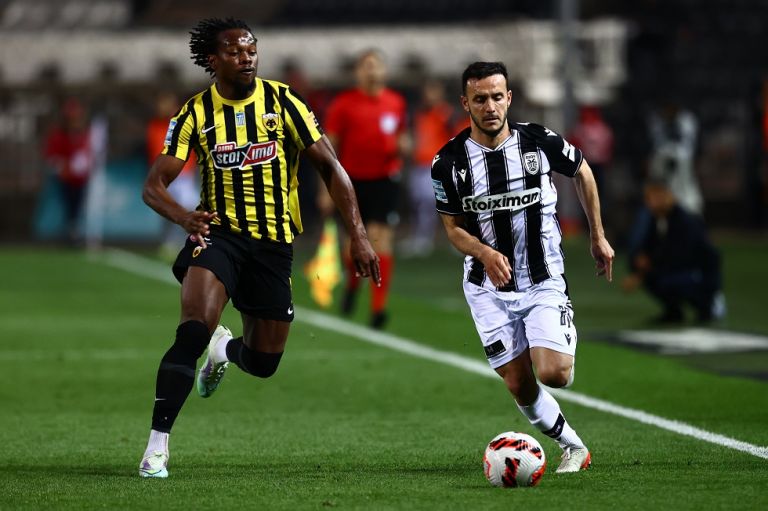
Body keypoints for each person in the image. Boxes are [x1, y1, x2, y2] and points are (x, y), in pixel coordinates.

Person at [138, 18, 380, 478]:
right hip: (218, 236)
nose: (246, 58)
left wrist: (359, 234)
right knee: (192, 331)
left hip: (273, 243)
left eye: (251, 50)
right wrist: (184, 217)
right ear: (213, 60)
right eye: (234, 52)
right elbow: (154, 186)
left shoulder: (283, 101)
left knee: (264, 362)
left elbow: (331, 167)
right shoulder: (194, 113)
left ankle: (223, 352)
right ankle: (156, 448)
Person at [431, 62, 614, 474]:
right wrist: (484, 253)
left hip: (541, 277)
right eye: (480, 99)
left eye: (497, 97)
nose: (490, 106)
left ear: (509, 98)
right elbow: (452, 228)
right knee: (518, 382)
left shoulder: (537, 141)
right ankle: (574, 447)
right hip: (486, 287)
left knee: (555, 374)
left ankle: (553, 334)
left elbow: (583, 171)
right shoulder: (448, 162)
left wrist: (597, 235)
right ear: (465, 103)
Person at [322, 49, 410, 329]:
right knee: (354, 244)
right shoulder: (343, 104)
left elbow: (404, 138)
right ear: (358, 72)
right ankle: (352, 284)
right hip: (352, 183)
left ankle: (378, 309)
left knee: (381, 240)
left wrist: (404, 146)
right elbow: (329, 146)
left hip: (385, 180)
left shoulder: (395, 102)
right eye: (366, 66)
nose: (372, 71)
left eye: (376, 66)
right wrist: (326, 187)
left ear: (384, 70)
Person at [622, 178, 724, 324]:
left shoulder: (685, 221)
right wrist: (639, 261)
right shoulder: (656, 219)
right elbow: (649, 247)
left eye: (658, 196)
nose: (653, 202)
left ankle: (707, 305)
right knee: (650, 274)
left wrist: (640, 275)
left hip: (699, 273)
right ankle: (674, 311)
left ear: (669, 196)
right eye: (650, 198)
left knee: (669, 280)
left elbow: (679, 257)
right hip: (676, 268)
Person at [401, 79, 464, 257]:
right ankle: (421, 238)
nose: (430, 95)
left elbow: (457, 138)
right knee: (419, 202)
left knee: (446, 204)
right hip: (419, 165)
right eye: (428, 91)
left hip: (440, 166)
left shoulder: (448, 114)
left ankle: (458, 240)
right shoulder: (418, 114)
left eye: (434, 91)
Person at [145, 91, 198, 258]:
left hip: (183, 175)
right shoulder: (154, 125)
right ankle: (169, 243)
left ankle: (187, 241)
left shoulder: (184, 121)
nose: (161, 107)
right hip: (164, 175)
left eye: (165, 103)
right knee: (168, 208)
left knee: (189, 207)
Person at [43, 98, 93, 244]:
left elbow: (89, 153)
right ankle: (69, 232)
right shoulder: (58, 135)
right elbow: (51, 157)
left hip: (81, 179)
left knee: (78, 206)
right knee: (69, 206)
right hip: (66, 178)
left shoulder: (84, 134)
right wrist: (65, 166)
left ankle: (74, 231)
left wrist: (84, 164)